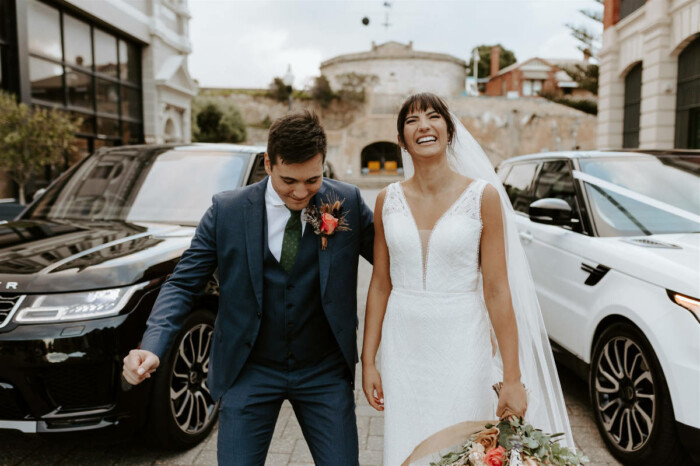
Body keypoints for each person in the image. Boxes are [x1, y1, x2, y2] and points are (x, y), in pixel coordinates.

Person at [122, 111, 374, 465]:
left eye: (313, 180)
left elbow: (395, 264)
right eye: (289, 180)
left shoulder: (346, 201)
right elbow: (182, 283)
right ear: (268, 163)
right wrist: (153, 346)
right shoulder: (226, 210)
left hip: (324, 370)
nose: (301, 192)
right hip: (248, 369)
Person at [361, 93, 573, 465]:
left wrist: (512, 377)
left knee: (462, 445)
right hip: (403, 345)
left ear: (449, 129)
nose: (423, 125)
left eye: (433, 117)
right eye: (411, 121)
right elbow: (380, 283)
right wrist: (369, 360)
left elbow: (496, 289)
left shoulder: (482, 196)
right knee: (406, 443)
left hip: (462, 342)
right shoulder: (386, 200)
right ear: (401, 140)